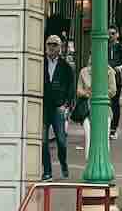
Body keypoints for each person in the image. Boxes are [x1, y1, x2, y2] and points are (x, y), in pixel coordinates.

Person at [42, 34, 74, 179]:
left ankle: (63, 162)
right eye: (49, 44)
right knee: (43, 140)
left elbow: (71, 88)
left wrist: (66, 105)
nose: (51, 47)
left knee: (61, 140)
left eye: (55, 44)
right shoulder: (40, 63)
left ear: (60, 47)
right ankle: (47, 171)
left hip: (58, 107)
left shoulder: (66, 66)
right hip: (43, 106)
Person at [76, 57, 119, 154]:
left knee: (104, 138)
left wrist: (97, 94)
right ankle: (89, 164)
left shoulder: (109, 71)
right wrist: (87, 94)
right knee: (89, 137)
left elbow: (113, 91)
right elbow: (79, 91)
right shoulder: (84, 72)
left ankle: (105, 163)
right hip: (87, 109)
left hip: (104, 109)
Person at [108, 28, 122, 140]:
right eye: (109, 34)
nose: (110, 36)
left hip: (116, 78)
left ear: (117, 34)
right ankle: (107, 126)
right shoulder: (104, 46)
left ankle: (113, 128)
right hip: (105, 77)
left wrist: (120, 68)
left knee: (115, 102)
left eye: (112, 33)